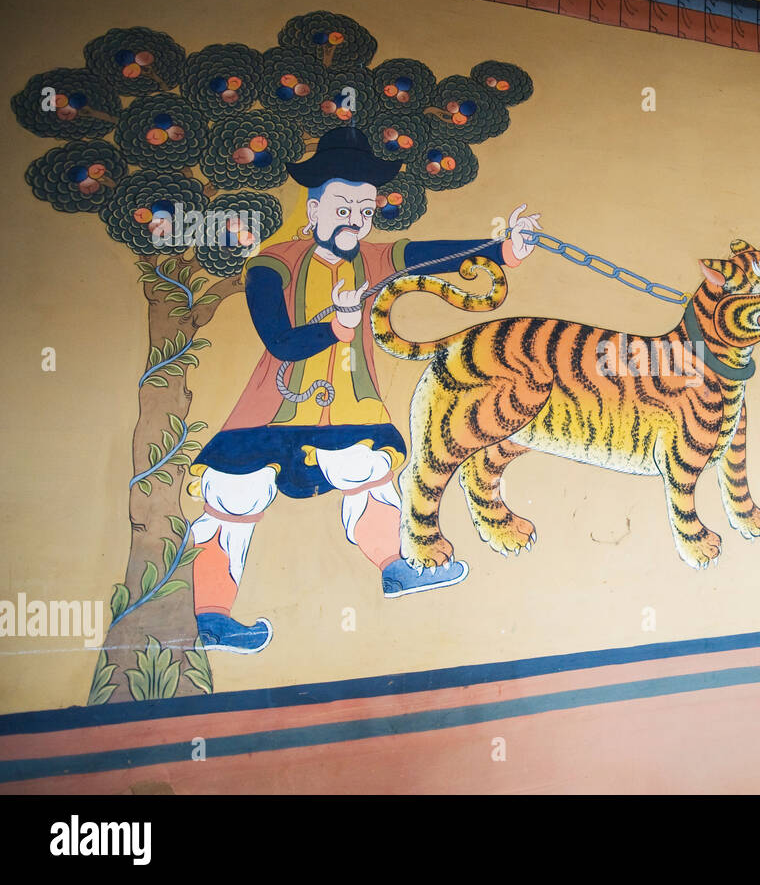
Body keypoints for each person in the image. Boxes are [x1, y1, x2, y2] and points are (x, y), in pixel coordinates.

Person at [187, 126, 540, 653]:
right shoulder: (272, 262)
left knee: (370, 476)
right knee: (233, 501)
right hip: (267, 415)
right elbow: (279, 341)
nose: (354, 219)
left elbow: (432, 255)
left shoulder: (373, 260)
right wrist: (334, 328)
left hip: (349, 411)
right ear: (312, 210)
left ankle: (397, 570)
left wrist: (503, 249)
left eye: (363, 209)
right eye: (342, 207)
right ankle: (212, 618)